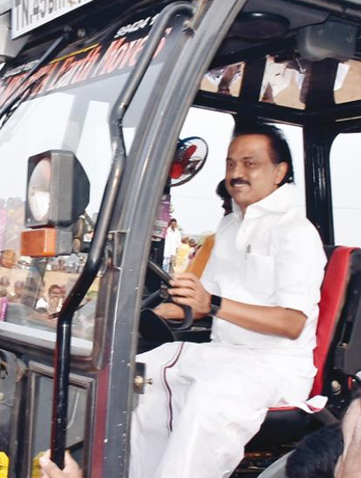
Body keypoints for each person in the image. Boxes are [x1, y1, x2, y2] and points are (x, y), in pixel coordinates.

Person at [129, 123, 327, 478]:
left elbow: (291, 323)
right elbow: (195, 302)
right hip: (223, 353)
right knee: (142, 371)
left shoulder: (296, 233)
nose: (236, 173)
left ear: (279, 172)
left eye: (250, 164)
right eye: (231, 164)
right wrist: (128, 313)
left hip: (274, 364)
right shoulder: (228, 228)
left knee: (212, 393)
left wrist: (215, 304)